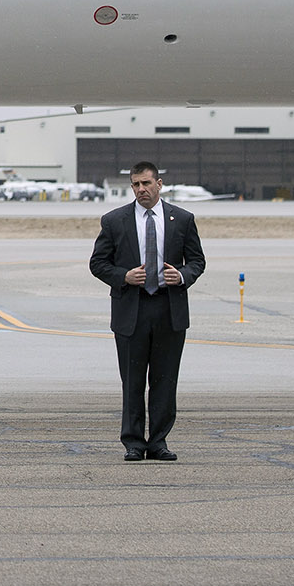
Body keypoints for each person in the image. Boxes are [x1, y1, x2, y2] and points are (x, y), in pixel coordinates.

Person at [89, 160, 206, 461]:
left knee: (165, 380)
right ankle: (133, 442)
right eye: (136, 185)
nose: (141, 189)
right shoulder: (115, 221)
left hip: (169, 308)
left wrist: (181, 276)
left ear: (159, 184)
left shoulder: (181, 218)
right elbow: (98, 264)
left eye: (146, 183)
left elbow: (197, 261)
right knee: (133, 380)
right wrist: (123, 276)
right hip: (132, 309)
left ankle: (158, 441)